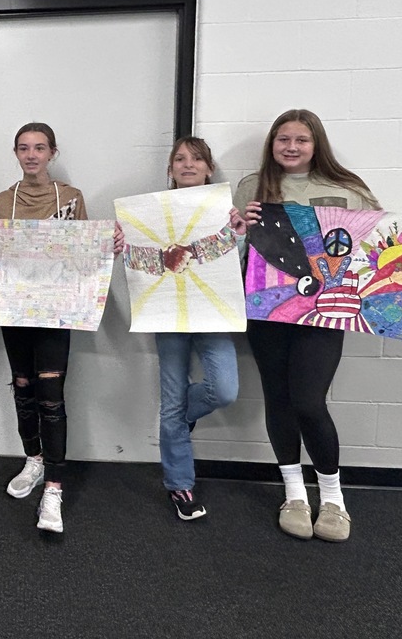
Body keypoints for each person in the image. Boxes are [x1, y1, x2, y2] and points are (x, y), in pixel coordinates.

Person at [235, 109, 402, 542]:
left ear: (316, 143)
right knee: (278, 399)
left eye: (301, 139)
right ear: (272, 144)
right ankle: (294, 492)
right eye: (283, 139)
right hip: (267, 310)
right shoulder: (252, 186)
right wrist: (238, 228)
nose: (291, 147)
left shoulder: (346, 188)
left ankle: (333, 496)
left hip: (326, 312)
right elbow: (241, 249)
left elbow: (384, 241)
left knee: (308, 402)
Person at [0, 122, 87, 534]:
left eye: (39, 148)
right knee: (24, 387)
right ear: (16, 153)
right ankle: (33, 459)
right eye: (24, 149)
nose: (31, 155)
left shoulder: (71, 198)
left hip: (55, 311)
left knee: (51, 395)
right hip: (14, 311)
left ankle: (54, 487)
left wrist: (109, 246)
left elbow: (84, 253)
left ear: (52, 152)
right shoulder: (1, 200)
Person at [146, 137, 243, 521]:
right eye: (180, 159)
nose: (188, 165)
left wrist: (239, 232)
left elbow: (237, 265)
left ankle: (180, 418)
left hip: (212, 313)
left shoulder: (224, 211)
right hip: (167, 313)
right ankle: (179, 485)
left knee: (224, 390)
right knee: (170, 401)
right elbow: (143, 260)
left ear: (209, 168)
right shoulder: (151, 213)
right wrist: (125, 242)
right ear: (170, 169)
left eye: (197, 159)